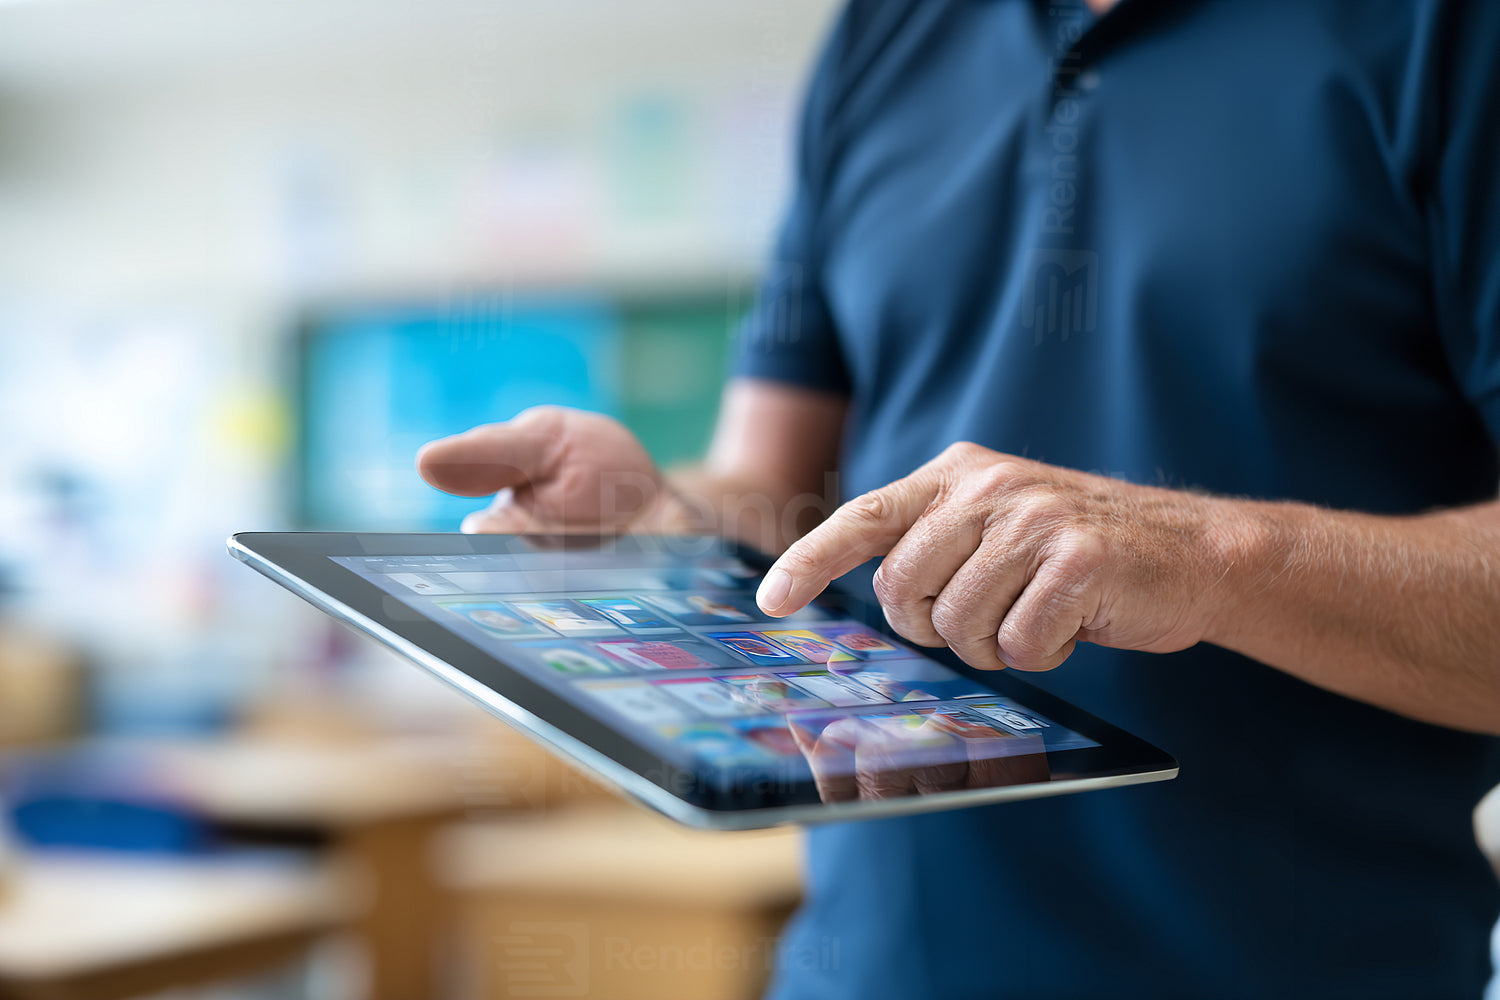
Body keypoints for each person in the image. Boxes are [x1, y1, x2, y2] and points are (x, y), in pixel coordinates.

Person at [417, 0, 1500, 996]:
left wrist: (1206, 555)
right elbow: (776, 495)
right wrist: (655, 517)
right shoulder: (882, 37)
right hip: (869, 963)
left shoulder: (1447, 31)